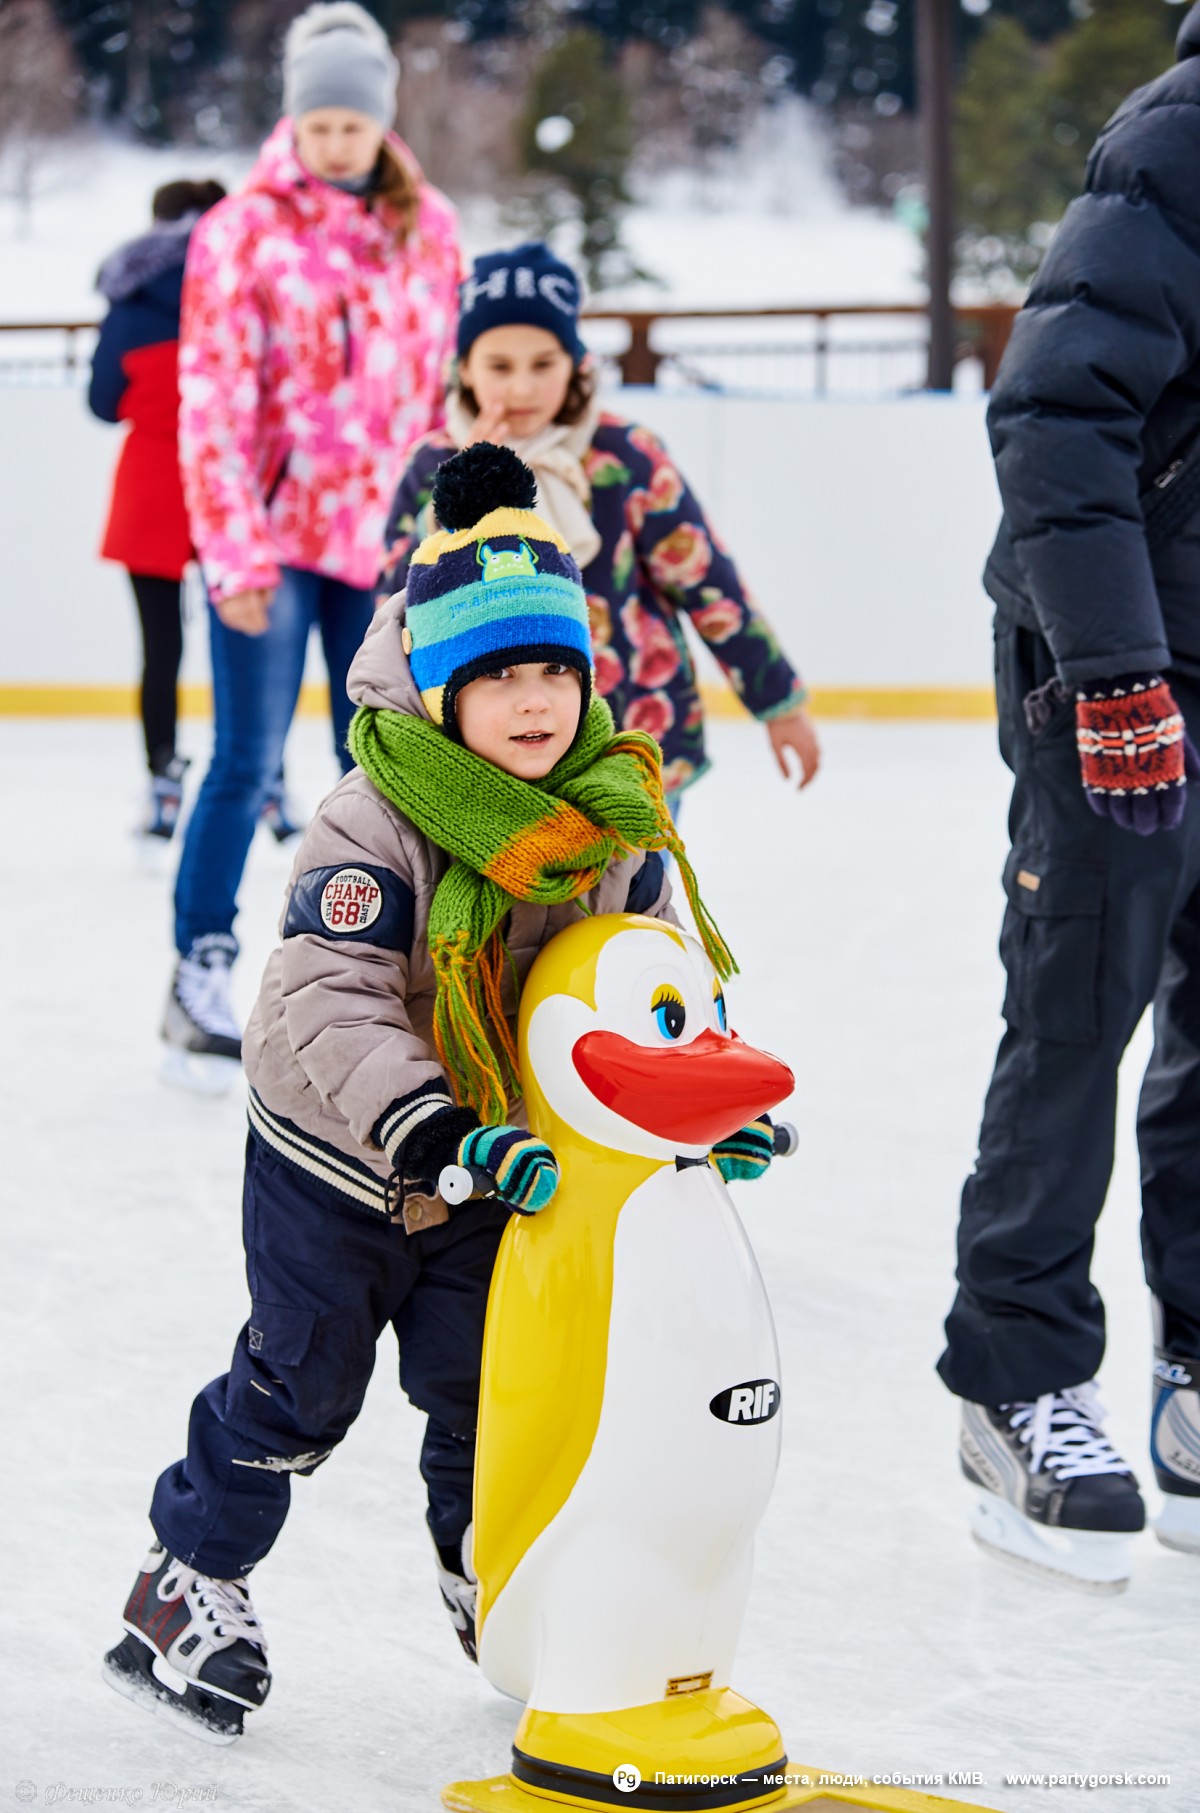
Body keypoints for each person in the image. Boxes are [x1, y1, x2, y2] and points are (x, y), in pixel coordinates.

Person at [102, 444, 771, 1742]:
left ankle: (500, 1576)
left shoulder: (611, 827)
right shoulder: (375, 819)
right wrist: (428, 1123)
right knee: (303, 1391)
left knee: (488, 1387)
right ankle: (186, 1577)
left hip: (492, 1164)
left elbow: (653, 985)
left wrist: (707, 1107)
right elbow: (327, 998)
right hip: (341, 1158)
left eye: (555, 672)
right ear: (438, 684)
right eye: (499, 675)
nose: (533, 704)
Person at [939, 2, 1200, 1589]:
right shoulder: (1179, 140)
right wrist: (1113, 672)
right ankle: (1017, 1379)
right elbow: (1053, 409)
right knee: (1078, 1011)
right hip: (1117, 660)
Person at [163, 0, 462, 1088]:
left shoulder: (426, 228)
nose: (338, 142)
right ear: (293, 119)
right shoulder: (242, 229)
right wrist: (233, 554)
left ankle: (367, 975)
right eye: (321, 123)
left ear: (383, 119)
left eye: (355, 124)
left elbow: (444, 391)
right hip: (274, 540)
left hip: (383, 545)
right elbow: (211, 398)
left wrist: (448, 528)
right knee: (246, 757)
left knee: (377, 769)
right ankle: (200, 959)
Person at [379, 241, 820, 815]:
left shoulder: (626, 458)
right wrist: (468, 482)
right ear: (463, 369)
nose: (521, 388)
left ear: (576, 365)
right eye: (499, 366)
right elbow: (395, 600)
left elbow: (709, 582)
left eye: (543, 365)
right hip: (488, 756)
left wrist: (778, 702)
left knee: (633, 901)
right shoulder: (431, 467)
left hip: (629, 741)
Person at [89, 178, 227, 846]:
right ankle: (262, 775)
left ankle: (163, 774)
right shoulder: (236, 286)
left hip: (150, 485)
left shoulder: (130, 299)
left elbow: (100, 400)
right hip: (226, 481)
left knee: (160, 645)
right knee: (247, 644)